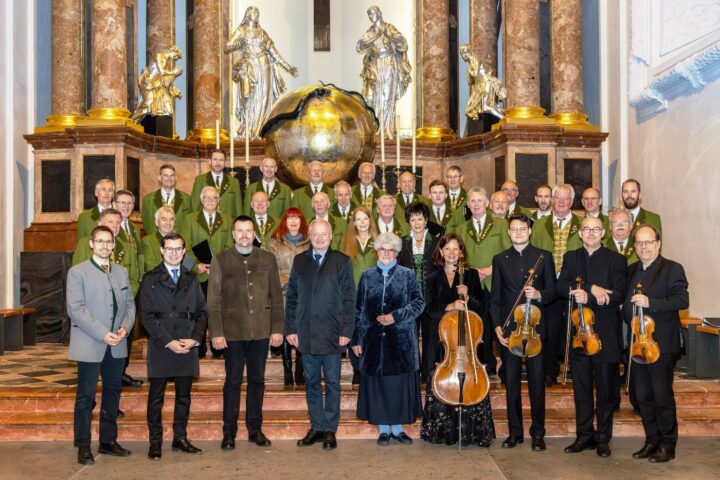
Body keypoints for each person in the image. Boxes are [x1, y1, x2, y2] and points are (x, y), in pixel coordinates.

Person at [207, 215, 285, 450]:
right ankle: (228, 432)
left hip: (261, 331)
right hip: (231, 332)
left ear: (254, 234)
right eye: (239, 230)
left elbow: (277, 297)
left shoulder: (268, 259)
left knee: (257, 381)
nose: (243, 235)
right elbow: (213, 300)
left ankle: (255, 429)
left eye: (248, 231)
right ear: (233, 234)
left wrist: (277, 329)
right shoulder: (221, 260)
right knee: (232, 382)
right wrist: (217, 332)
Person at [556, 217, 627, 458]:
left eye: (596, 229)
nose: (591, 233)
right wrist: (591, 288)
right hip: (578, 335)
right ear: (580, 233)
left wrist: (591, 296)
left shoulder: (617, 259)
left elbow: (618, 294)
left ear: (603, 233)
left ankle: (603, 438)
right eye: (586, 229)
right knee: (582, 390)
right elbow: (560, 286)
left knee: (606, 391)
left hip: (605, 333)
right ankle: (584, 435)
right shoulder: (571, 257)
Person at [66, 226, 135, 465]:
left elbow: (129, 305)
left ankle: (108, 441)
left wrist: (125, 328)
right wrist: (103, 333)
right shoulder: (78, 272)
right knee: (85, 396)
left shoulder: (121, 271)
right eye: (100, 241)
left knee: (113, 393)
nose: (105, 245)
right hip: (90, 342)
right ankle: (83, 444)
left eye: (109, 242)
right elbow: (76, 309)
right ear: (92, 244)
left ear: (114, 245)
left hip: (117, 343)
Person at [285, 219, 356, 450]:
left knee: (333, 383)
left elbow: (349, 299)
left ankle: (329, 430)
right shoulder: (300, 261)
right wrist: (290, 328)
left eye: (323, 234)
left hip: (333, 334)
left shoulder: (342, 261)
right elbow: (292, 298)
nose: (319, 238)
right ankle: (316, 426)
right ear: (310, 236)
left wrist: (347, 330)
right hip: (306, 333)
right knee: (312, 382)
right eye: (315, 234)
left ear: (331, 236)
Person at [420, 234, 495, 446]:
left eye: (457, 249)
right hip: (444, 342)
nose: (452, 253)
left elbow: (482, 308)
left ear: (462, 252)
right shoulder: (433, 278)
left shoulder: (471, 275)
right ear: (441, 252)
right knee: (441, 380)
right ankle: (444, 433)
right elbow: (428, 309)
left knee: (471, 381)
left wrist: (469, 297)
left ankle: (472, 433)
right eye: (448, 249)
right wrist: (449, 306)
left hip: (468, 341)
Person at [490, 214, 556, 451]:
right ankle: (515, 432)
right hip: (511, 329)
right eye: (514, 229)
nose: (518, 232)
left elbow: (554, 290)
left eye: (522, 228)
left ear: (529, 231)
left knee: (537, 382)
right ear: (508, 232)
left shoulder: (543, 257)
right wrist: (497, 325)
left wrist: (540, 295)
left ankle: (538, 433)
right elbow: (495, 298)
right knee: (512, 382)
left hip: (535, 329)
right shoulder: (499, 259)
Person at [624, 225, 688, 463]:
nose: (643, 247)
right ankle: (651, 441)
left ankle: (668, 444)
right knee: (643, 397)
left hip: (661, 345)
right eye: (639, 243)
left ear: (658, 244)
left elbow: (682, 299)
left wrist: (651, 302)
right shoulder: (632, 270)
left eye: (648, 242)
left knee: (662, 396)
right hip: (638, 345)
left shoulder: (672, 269)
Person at [352, 233, 425, 445]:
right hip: (374, 341)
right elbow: (359, 310)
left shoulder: (408, 275)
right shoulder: (366, 276)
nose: (386, 253)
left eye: (391, 250)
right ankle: (384, 429)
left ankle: (399, 429)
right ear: (376, 251)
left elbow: (419, 304)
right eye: (382, 249)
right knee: (380, 387)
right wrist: (357, 339)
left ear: (396, 252)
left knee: (398, 387)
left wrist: (396, 316)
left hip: (401, 343)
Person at [140, 233, 208, 460]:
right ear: (162, 250)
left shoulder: (191, 279)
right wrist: (168, 341)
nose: (174, 253)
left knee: (183, 396)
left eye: (178, 249)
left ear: (184, 251)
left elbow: (202, 313)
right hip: (162, 344)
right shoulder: (150, 278)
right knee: (156, 396)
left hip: (187, 343)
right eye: (169, 248)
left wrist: (195, 339)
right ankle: (155, 441)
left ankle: (180, 437)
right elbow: (147, 316)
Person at [530, 184, 583, 385]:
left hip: (573, 284)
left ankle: (575, 369)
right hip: (548, 284)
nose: (561, 202)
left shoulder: (583, 224)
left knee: (574, 326)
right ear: (552, 200)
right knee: (549, 329)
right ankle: (549, 370)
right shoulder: (539, 225)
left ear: (572, 201)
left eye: (565, 198)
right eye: (557, 198)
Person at [458, 187, 510, 375]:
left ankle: (506, 368)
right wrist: (473, 272)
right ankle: (484, 365)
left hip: (496, 282)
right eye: (473, 201)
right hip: (475, 285)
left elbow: (507, 253)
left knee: (500, 325)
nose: (476, 204)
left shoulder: (500, 224)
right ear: (468, 204)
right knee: (480, 327)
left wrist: (492, 269)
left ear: (487, 204)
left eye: (480, 201)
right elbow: (460, 257)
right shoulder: (462, 229)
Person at [225, 6, 298, 139]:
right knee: (250, 98)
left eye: (257, 12)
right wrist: (240, 44)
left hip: (264, 66)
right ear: (247, 15)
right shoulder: (241, 31)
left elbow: (274, 52)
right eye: (253, 12)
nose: (255, 14)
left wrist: (288, 67)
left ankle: (261, 129)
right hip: (250, 67)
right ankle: (249, 129)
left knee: (265, 98)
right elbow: (227, 47)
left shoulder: (262, 33)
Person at [397, 201, 442, 382]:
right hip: (409, 300)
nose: (416, 223)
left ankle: (429, 373)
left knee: (431, 338)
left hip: (431, 298)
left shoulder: (436, 242)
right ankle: (413, 373)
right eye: (413, 219)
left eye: (420, 219)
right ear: (408, 221)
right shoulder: (402, 242)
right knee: (411, 337)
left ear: (426, 221)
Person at [267, 208, 311, 386]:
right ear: (285, 221)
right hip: (282, 292)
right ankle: (287, 369)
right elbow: (269, 268)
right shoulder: (274, 242)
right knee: (286, 330)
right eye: (290, 218)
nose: (293, 221)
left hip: (305, 293)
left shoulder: (309, 242)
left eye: (297, 218)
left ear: (302, 222)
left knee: (302, 330)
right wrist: (287, 280)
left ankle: (300, 369)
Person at [356, 5, 411, 138]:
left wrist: (386, 34)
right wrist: (375, 35)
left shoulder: (389, 28)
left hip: (389, 64)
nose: (371, 16)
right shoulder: (371, 31)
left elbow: (403, 43)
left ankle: (388, 129)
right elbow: (360, 46)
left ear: (379, 13)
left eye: (373, 13)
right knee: (375, 97)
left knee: (388, 96)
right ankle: (376, 128)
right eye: (369, 14)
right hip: (375, 65)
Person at [190, 149, 243, 219]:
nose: (218, 163)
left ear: (225, 163)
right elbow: (194, 206)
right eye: (215, 159)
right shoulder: (200, 180)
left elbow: (238, 208)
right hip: (205, 224)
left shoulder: (234, 182)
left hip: (228, 224)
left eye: (221, 160)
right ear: (209, 161)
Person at [141, 164, 192, 235]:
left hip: (179, 242)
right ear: (159, 178)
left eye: (172, 175)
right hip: (157, 242)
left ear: (176, 178)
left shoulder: (187, 199)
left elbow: (189, 223)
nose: (169, 178)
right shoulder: (148, 199)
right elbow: (147, 224)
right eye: (165, 175)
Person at [342, 206, 379, 286]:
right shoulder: (345, 241)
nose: (362, 222)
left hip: (373, 288)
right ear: (354, 223)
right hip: (353, 288)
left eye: (365, 219)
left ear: (370, 221)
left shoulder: (379, 241)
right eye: (358, 219)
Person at [113, 190, 143, 273]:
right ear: (115, 205)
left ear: (133, 206)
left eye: (129, 203)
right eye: (123, 202)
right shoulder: (109, 227)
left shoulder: (135, 228)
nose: (126, 206)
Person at [141, 206, 177, 273]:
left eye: (171, 219)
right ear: (157, 222)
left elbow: (190, 263)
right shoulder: (148, 241)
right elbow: (150, 266)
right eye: (164, 219)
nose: (168, 223)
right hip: (159, 281)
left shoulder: (182, 240)